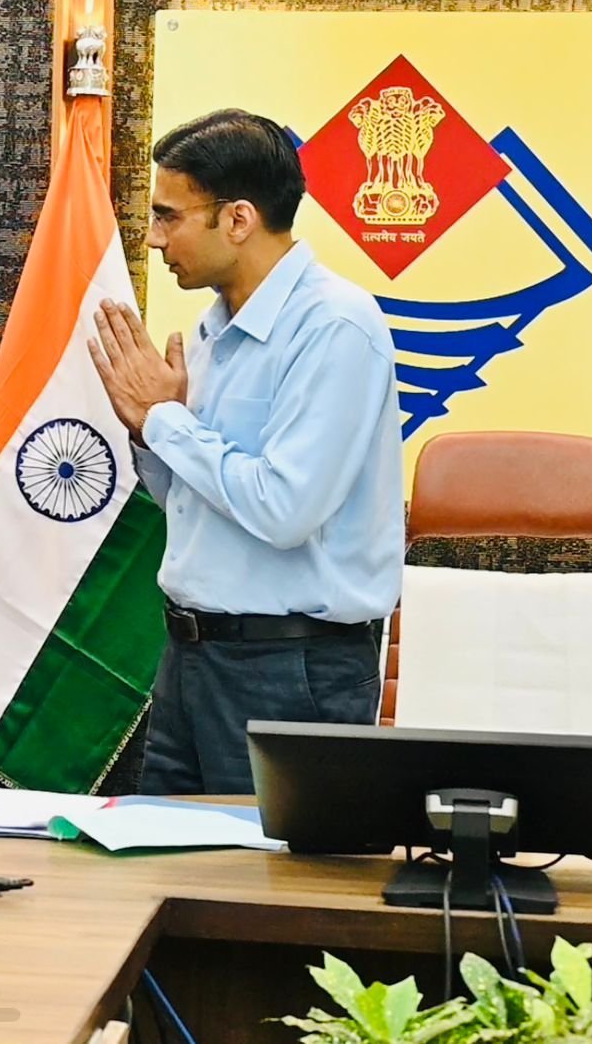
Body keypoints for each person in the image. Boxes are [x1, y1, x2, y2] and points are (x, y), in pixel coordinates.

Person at [87, 109, 403, 795]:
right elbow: (193, 504)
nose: (153, 238)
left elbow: (286, 510)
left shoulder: (334, 326)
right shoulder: (213, 328)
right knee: (171, 857)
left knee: (267, 867)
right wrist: (146, 432)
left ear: (237, 219)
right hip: (191, 658)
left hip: (293, 667)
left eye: (169, 216)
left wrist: (166, 421)